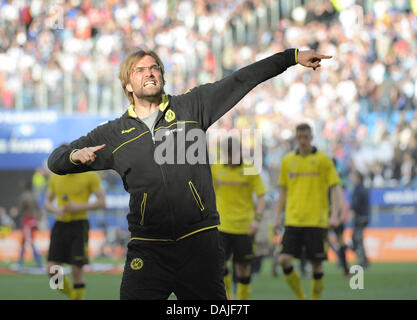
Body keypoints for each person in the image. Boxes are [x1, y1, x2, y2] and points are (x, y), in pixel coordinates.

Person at [47, 47, 331, 300]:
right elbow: (55, 162)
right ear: (127, 84)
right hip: (148, 247)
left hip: (200, 243)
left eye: (154, 67)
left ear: (162, 76)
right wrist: (74, 155)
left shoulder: (192, 106)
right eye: (141, 70)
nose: (150, 73)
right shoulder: (113, 134)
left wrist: (291, 58)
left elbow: (242, 79)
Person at [274, 123, 341, 300]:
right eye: (300, 137)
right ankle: (301, 297)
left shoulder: (323, 160)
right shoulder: (287, 161)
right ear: (296, 139)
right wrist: (276, 218)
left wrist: (334, 214)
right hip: (293, 220)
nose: (303, 141)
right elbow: (283, 191)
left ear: (311, 138)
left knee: (317, 265)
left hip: (316, 221)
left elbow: (335, 186)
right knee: (284, 260)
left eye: (306, 137)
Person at [211, 137, 266, 300]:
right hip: (221, 226)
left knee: (243, 269)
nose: (229, 158)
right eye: (226, 154)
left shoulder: (250, 169)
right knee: (218, 265)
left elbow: (262, 196)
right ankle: (228, 296)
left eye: (232, 154)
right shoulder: (216, 168)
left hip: (245, 227)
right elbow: (208, 194)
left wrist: (257, 219)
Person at [44, 171, 106, 300]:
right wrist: (57, 209)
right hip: (60, 225)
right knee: (52, 270)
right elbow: (47, 203)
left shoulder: (90, 175)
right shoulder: (55, 176)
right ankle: (73, 296)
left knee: (76, 270)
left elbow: (102, 202)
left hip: (79, 225)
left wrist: (79, 207)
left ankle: (76, 298)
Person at [17, 180, 44, 269]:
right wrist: (37, 220)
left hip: (27, 222)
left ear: (24, 187)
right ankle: (20, 262)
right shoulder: (33, 196)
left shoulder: (23, 197)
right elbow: (39, 210)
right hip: (32, 221)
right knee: (25, 241)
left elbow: (21, 209)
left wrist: (16, 213)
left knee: (29, 242)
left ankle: (39, 262)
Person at [350, 170, 370, 268]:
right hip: (364, 217)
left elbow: (355, 204)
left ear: (358, 178)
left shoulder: (358, 189)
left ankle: (362, 261)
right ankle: (364, 260)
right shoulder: (362, 189)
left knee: (357, 239)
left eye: (354, 177)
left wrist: (351, 211)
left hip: (360, 218)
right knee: (357, 239)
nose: (352, 179)